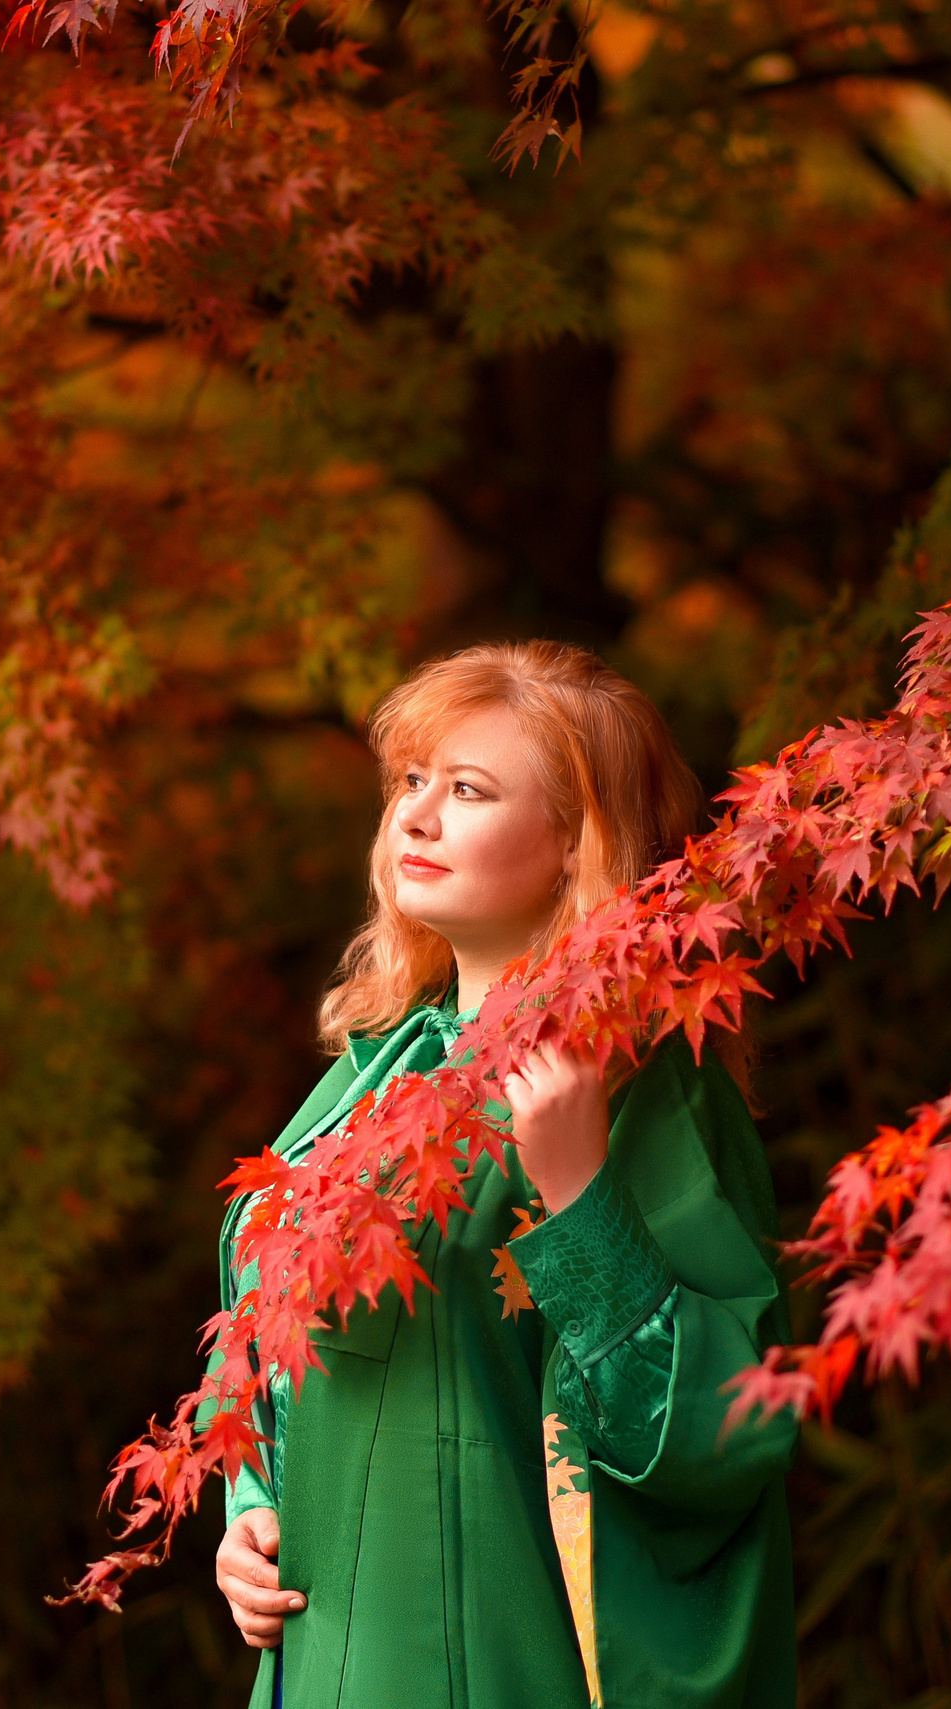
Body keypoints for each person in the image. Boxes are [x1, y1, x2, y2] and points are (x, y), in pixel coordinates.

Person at [208, 640, 798, 1709]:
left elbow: (720, 1426)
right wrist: (249, 1503)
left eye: (467, 789)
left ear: (578, 847)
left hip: (491, 1647)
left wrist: (579, 1198)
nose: (416, 816)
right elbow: (265, 1342)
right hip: (322, 1646)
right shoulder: (374, 1070)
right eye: (410, 781)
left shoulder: (629, 1079)